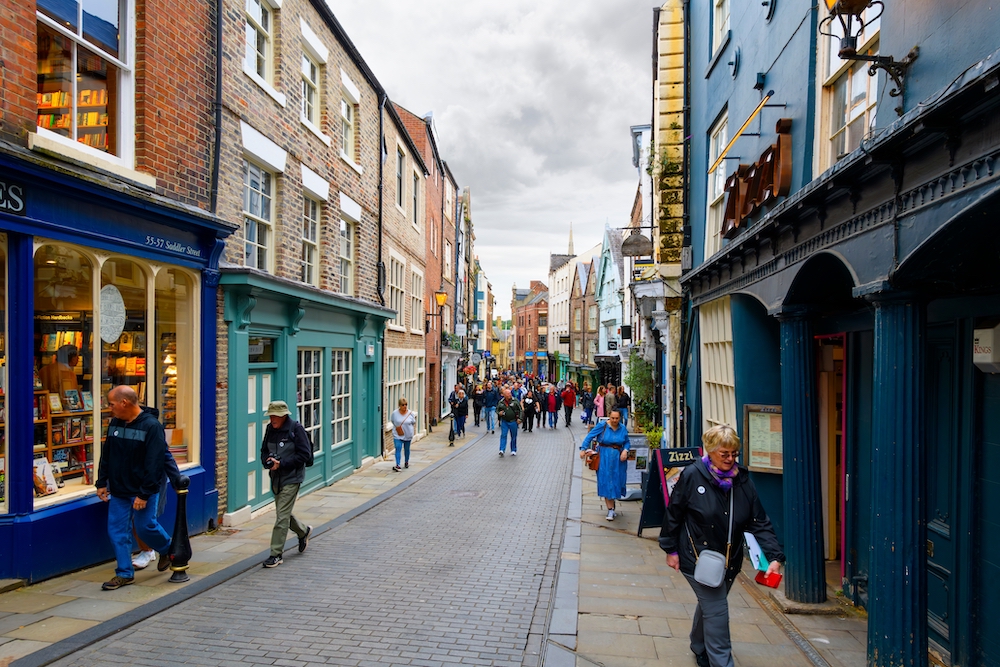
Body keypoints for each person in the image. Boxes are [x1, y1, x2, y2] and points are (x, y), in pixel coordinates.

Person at [659, 425, 784, 667]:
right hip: (696, 557)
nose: (730, 459)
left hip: (729, 560)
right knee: (717, 610)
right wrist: (670, 549)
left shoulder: (743, 482)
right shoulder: (693, 475)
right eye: (724, 454)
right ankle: (722, 662)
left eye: (734, 454)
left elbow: (759, 521)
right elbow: (674, 513)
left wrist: (775, 556)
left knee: (711, 604)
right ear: (711, 451)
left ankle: (698, 644)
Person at [95, 385, 173, 590]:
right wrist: (102, 482)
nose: (109, 408)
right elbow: (108, 454)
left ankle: (169, 549)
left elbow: (155, 463)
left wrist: (144, 493)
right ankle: (124, 573)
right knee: (117, 531)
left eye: (111, 404)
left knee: (145, 526)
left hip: (142, 490)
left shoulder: (151, 426)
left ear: (124, 403)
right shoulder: (115, 423)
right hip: (119, 490)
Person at [260, 400, 313, 568]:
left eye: (275, 416)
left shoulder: (296, 429)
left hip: (292, 477)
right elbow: (264, 450)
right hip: (276, 478)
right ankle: (303, 531)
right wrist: (267, 461)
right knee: (283, 513)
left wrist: (282, 463)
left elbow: (304, 455)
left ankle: (276, 554)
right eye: (270, 415)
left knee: (281, 517)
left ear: (284, 415)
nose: (272, 419)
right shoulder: (270, 429)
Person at [131, 448, 183, 570]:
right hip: (127, 480)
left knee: (143, 520)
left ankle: (152, 550)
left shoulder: (153, 430)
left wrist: (177, 481)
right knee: (133, 520)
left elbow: (166, 456)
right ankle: (158, 550)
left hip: (150, 481)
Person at [578, 409, 630, 521]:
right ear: (609, 417)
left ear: (620, 418)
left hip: (618, 459)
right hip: (604, 457)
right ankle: (610, 509)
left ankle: (612, 505)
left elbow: (626, 441)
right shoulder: (602, 426)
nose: (614, 420)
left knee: (617, 481)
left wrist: (625, 450)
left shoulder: (623, 428)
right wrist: (583, 449)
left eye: (617, 418)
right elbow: (589, 436)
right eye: (612, 418)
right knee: (606, 481)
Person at [389, 397, 417, 472]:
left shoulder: (410, 414)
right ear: (399, 405)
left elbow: (413, 422)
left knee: (407, 449)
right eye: (403, 405)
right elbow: (393, 421)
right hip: (398, 434)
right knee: (398, 448)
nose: (404, 406)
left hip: (408, 435)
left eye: (406, 405)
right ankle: (398, 465)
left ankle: (406, 461)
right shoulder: (395, 413)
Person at [497, 388, 522, 457]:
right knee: (503, 435)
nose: (509, 395)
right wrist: (499, 413)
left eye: (510, 394)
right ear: (504, 395)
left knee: (513, 436)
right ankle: (502, 449)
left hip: (513, 421)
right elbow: (497, 409)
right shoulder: (501, 402)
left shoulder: (515, 401)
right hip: (504, 421)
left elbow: (520, 410)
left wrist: (520, 418)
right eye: (508, 394)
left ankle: (513, 450)